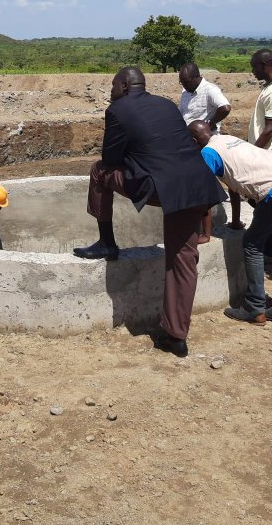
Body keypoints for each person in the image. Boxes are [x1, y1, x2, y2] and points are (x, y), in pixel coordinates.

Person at [74, 66, 227, 358]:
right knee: (183, 260)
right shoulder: (167, 104)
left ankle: (107, 242)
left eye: (112, 86)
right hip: (196, 184)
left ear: (122, 86)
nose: (110, 92)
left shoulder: (117, 109)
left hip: (160, 187)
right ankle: (176, 336)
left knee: (98, 171)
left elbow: (110, 158)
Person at [188, 121, 272, 324]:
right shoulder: (228, 140)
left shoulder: (208, 154)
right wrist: (235, 221)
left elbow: (204, 195)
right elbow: (233, 185)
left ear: (193, 141)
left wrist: (205, 233)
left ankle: (254, 308)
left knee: (252, 244)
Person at [178, 63, 231, 243]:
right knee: (195, 185)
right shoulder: (186, 93)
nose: (183, 86)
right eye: (181, 83)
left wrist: (210, 124)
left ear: (196, 77)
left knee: (202, 186)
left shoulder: (210, 90)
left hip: (205, 145)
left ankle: (208, 232)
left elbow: (225, 107)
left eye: (186, 82)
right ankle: (197, 227)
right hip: (190, 144)